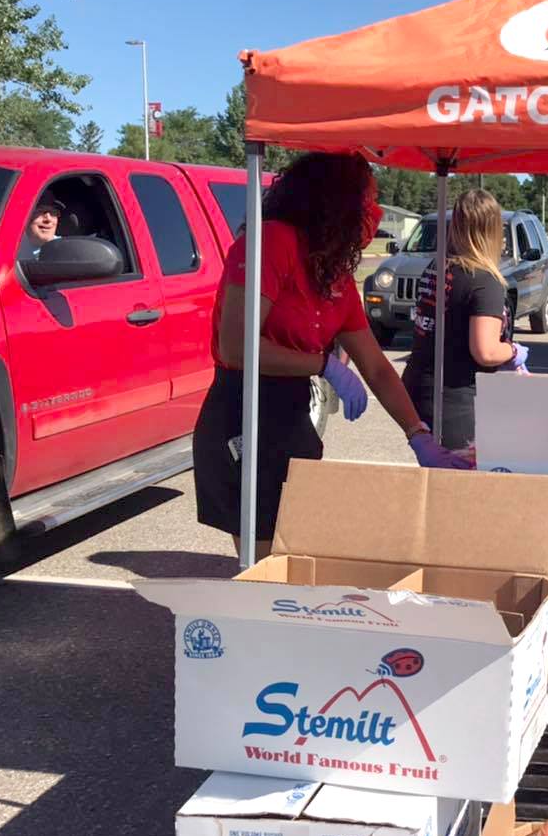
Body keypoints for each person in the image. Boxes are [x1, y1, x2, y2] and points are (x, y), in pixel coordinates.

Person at [193, 153, 466, 558]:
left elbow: (376, 366)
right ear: (334, 202)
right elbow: (237, 346)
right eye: (366, 200)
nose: (373, 213)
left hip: (290, 418)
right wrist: (322, 365)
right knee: (266, 561)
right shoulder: (272, 243)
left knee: (298, 551)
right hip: (244, 412)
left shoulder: (331, 272)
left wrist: (418, 435)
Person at [402, 189, 528, 451]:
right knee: (462, 474)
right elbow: (486, 351)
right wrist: (514, 351)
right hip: (456, 398)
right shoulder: (484, 281)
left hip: (420, 387)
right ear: (494, 229)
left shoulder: (436, 268)